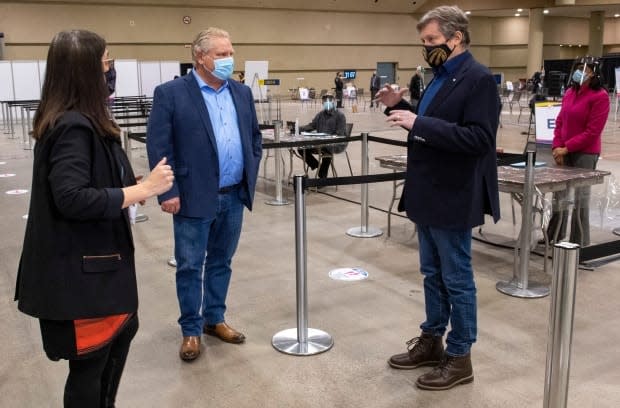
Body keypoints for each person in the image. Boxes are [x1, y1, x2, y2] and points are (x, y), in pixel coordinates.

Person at [14, 30, 174, 407]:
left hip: (96, 273)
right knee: (90, 371)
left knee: (110, 352)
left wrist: (125, 183)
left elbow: (84, 180)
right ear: (86, 71)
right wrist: (143, 190)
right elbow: (71, 197)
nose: (111, 69)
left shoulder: (80, 121)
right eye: (106, 62)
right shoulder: (72, 125)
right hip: (81, 279)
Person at [374, 5, 500, 391]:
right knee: (432, 274)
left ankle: (460, 356)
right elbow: (437, 126)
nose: (426, 48)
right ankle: (432, 340)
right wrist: (401, 107)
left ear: (456, 37)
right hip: (428, 192)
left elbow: (479, 138)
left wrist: (418, 122)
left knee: (457, 278)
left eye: (431, 40)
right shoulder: (440, 77)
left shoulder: (477, 79)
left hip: (453, 193)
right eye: (424, 42)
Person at [146, 27, 262, 362]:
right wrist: (168, 189)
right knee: (190, 265)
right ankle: (191, 330)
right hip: (192, 196)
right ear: (200, 57)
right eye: (221, 54)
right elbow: (159, 145)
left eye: (231, 52)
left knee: (222, 261)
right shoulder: (171, 93)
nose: (229, 59)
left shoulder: (240, 93)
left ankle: (214, 319)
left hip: (233, 194)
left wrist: (249, 169)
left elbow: (253, 136)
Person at [546, 57, 609, 246]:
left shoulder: (600, 97)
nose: (581, 72)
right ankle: (554, 236)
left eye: (586, 69)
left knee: (581, 199)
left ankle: (579, 241)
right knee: (560, 196)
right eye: (579, 68)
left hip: (585, 154)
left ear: (594, 73)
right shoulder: (569, 93)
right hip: (563, 151)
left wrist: (567, 148)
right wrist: (557, 147)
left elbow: (593, 131)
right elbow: (559, 122)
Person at [296, 93, 346, 178]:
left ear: (333, 101)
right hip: (319, 142)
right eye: (325, 101)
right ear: (322, 103)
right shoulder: (320, 115)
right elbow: (312, 125)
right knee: (301, 148)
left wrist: (327, 138)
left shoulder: (340, 116)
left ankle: (322, 177)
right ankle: (316, 166)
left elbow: (340, 134)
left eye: (329, 100)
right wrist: (298, 129)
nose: (327, 102)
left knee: (328, 149)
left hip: (334, 143)